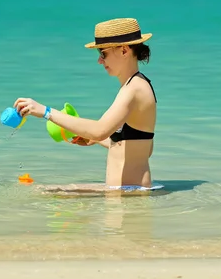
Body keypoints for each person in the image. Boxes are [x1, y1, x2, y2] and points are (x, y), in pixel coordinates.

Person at [14, 18, 159, 193]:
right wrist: (98, 140)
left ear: (124, 50)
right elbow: (144, 148)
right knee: (50, 191)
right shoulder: (135, 85)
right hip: (128, 192)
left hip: (130, 196)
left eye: (103, 53)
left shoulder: (134, 89)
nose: (99, 60)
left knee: (48, 193)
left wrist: (45, 112)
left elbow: (99, 129)